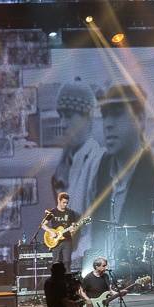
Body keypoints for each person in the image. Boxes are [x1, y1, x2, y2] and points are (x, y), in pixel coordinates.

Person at [88, 84, 154, 255]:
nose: (108, 124)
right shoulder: (98, 172)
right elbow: (88, 234)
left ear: (140, 119)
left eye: (117, 114)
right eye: (105, 115)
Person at [52, 78, 104, 265]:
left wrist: (71, 259)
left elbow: (94, 227)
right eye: (61, 116)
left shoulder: (98, 162)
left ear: (88, 116)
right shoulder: (69, 164)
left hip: (85, 260)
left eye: (69, 115)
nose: (63, 123)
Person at [41, 192, 82, 271]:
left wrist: (73, 230)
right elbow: (43, 225)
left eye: (67, 203)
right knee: (55, 263)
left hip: (67, 240)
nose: (65, 204)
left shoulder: (70, 212)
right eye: (63, 202)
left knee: (67, 262)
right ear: (58, 201)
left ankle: (67, 281)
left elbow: (73, 226)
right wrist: (51, 231)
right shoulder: (52, 212)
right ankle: (56, 281)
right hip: (55, 241)